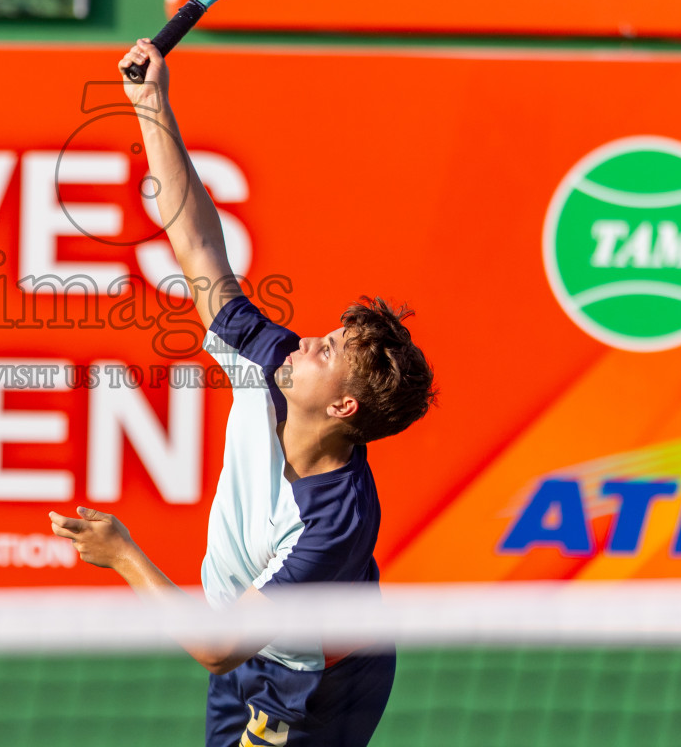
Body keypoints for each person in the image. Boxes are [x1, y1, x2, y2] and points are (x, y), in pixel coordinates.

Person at [50, 38, 437, 746]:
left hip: (308, 685)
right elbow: (198, 246)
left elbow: (214, 646)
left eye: (327, 350)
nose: (305, 340)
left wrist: (123, 554)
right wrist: (151, 106)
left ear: (343, 406)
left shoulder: (332, 522)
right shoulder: (269, 364)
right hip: (245, 641)